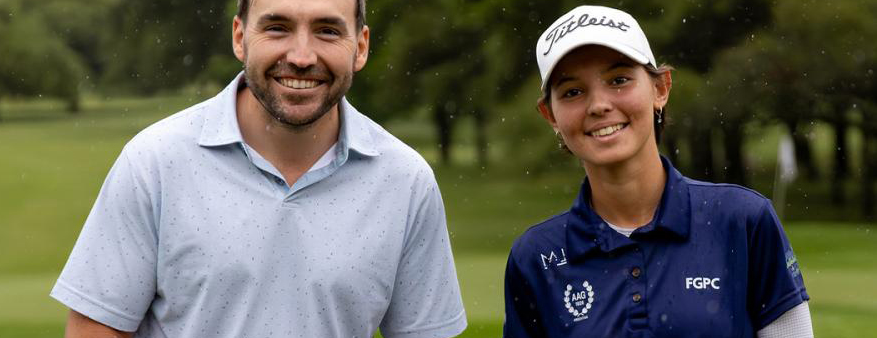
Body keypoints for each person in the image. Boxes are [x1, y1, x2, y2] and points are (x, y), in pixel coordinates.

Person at [51, 0, 467, 337]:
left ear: (360, 47)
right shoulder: (154, 162)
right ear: (239, 37)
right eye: (277, 27)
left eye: (327, 30)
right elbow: (95, 329)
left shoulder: (406, 182)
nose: (302, 57)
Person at [503, 5, 812, 338]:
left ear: (660, 88)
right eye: (573, 92)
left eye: (619, 80)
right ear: (550, 114)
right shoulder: (536, 257)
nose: (599, 105)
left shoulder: (743, 221)